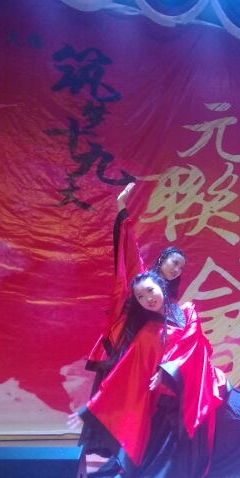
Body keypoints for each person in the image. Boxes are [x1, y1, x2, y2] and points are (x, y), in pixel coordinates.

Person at [74, 271, 240, 478]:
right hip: (178, 399)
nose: (147, 299)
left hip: (208, 386)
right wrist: (93, 408)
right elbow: (125, 372)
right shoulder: (147, 334)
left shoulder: (188, 311)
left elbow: (192, 343)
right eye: (140, 297)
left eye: (150, 290)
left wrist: (167, 371)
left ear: (162, 286)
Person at [79, 182, 187, 457]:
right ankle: (107, 447)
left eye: (181, 267)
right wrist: (121, 208)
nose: (177, 269)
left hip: (146, 356)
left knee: (138, 402)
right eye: (174, 262)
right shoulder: (142, 276)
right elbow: (129, 248)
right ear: (162, 260)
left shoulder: (170, 301)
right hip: (125, 346)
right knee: (114, 394)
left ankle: (131, 450)